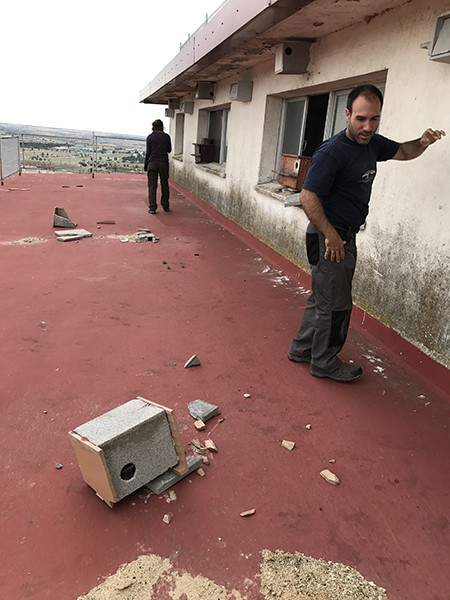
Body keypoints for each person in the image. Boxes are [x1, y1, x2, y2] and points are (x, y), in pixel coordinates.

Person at [288, 84, 445, 382]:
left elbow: (403, 150)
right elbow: (308, 195)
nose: (367, 126)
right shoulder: (333, 151)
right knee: (336, 305)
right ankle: (324, 362)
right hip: (331, 237)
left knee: (323, 298)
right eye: (361, 118)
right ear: (347, 114)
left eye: (374, 119)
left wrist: (422, 142)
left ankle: (302, 349)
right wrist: (332, 236)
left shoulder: (372, 143)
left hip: (341, 234)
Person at [144, 119, 172, 214]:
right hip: (163, 163)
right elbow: (169, 150)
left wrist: (146, 165)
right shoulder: (166, 137)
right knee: (164, 184)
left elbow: (148, 152)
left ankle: (152, 207)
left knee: (152, 186)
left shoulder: (150, 137)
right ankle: (165, 205)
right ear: (162, 127)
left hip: (152, 163)